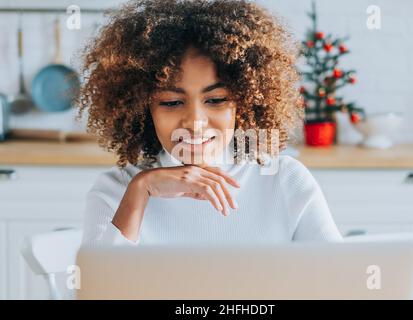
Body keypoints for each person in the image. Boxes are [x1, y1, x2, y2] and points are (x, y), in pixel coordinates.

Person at [77, 0, 343, 247]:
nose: (195, 122)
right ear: (143, 109)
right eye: (171, 102)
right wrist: (140, 191)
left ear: (245, 102)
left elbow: (338, 281)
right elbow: (99, 291)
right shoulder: (117, 189)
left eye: (215, 100)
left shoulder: (283, 180)